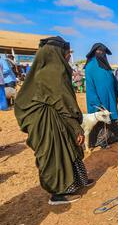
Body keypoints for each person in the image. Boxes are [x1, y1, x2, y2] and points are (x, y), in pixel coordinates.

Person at [14, 36, 94, 205]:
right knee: (55, 155)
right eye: (65, 54)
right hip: (46, 121)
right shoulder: (54, 72)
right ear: (57, 54)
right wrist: (76, 127)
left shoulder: (45, 70)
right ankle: (58, 194)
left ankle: (77, 181)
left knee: (69, 148)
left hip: (56, 117)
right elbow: (63, 102)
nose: (67, 57)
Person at [84, 43, 118, 150]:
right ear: (94, 52)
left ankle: (112, 138)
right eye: (99, 51)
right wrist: (96, 102)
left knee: (111, 116)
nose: (101, 53)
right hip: (98, 100)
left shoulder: (106, 66)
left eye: (103, 52)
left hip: (110, 97)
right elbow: (90, 87)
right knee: (101, 118)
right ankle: (100, 141)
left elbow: (113, 80)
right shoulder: (90, 66)